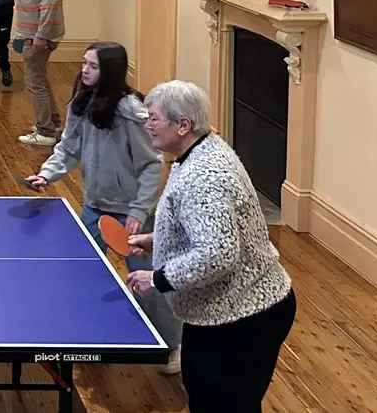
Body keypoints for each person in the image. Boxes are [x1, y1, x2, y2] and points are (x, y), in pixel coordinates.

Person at [127, 80, 297, 412]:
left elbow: (216, 254)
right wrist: (159, 240)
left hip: (245, 316)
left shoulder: (203, 176)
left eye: (153, 118)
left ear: (183, 125)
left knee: (220, 403)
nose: (147, 124)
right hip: (225, 311)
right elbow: (208, 229)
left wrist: (157, 278)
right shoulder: (201, 149)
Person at [24, 41, 181, 373]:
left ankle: (173, 345)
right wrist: (47, 174)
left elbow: (153, 164)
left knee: (147, 282)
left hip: (132, 215)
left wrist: (139, 212)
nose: (84, 70)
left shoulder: (132, 113)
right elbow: (68, 147)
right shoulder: (82, 104)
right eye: (84, 64)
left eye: (92, 66)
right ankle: (86, 330)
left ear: (108, 71)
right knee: (79, 269)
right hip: (95, 206)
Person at [7, 0, 64, 146]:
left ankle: (45, 132)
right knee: (40, 78)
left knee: (35, 82)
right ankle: (53, 123)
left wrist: (41, 35)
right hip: (42, 32)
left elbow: (47, 2)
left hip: (36, 36)